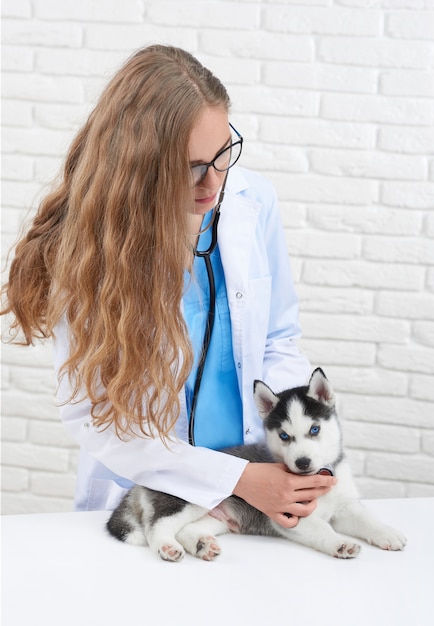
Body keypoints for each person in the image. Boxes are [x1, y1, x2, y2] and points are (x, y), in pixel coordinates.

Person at [2, 44, 335, 528]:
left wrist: (294, 441)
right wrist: (235, 478)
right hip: (150, 497)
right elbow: (98, 419)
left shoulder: (253, 201)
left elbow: (277, 339)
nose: (213, 180)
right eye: (191, 167)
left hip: (257, 488)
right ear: (138, 167)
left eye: (223, 154)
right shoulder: (88, 250)